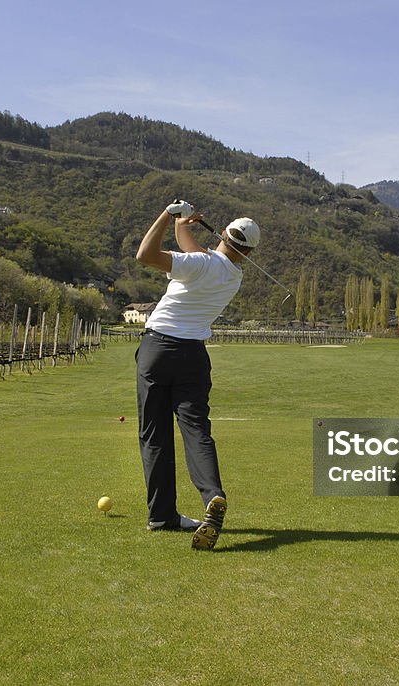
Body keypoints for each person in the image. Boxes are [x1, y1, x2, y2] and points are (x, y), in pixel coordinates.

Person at [134, 200, 261, 551]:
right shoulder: (232, 274)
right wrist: (183, 224)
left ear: (223, 234)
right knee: (196, 431)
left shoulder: (200, 264)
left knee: (154, 435)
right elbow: (198, 255)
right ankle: (213, 494)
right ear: (248, 250)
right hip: (193, 357)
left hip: (157, 350)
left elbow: (145, 254)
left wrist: (165, 213)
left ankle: (161, 515)